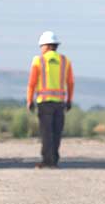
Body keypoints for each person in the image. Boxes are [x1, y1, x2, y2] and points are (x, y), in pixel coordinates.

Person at [27, 31, 74, 168]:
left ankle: (47, 160)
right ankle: (54, 160)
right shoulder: (65, 61)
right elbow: (70, 83)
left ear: (46, 46)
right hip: (60, 102)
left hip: (44, 102)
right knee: (56, 132)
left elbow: (32, 83)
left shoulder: (39, 60)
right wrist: (69, 100)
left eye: (41, 46)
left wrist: (29, 100)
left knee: (46, 132)